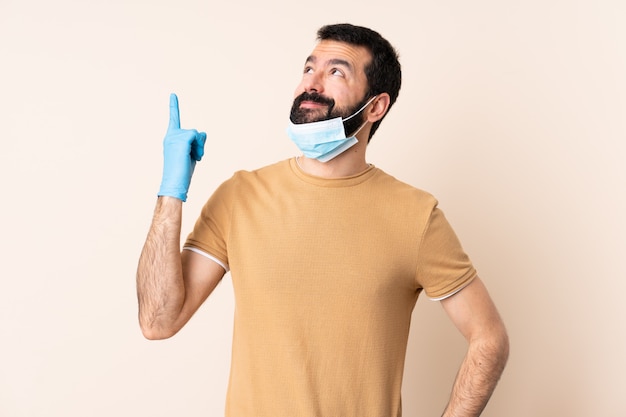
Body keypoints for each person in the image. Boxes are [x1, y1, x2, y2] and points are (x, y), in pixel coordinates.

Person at [137, 23, 509, 417]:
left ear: (377, 106)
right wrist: (170, 192)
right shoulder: (240, 196)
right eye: (308, 68)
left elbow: (489, 339)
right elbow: (158, 321)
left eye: (336, 72)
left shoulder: (416, 216)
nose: (311, 83)